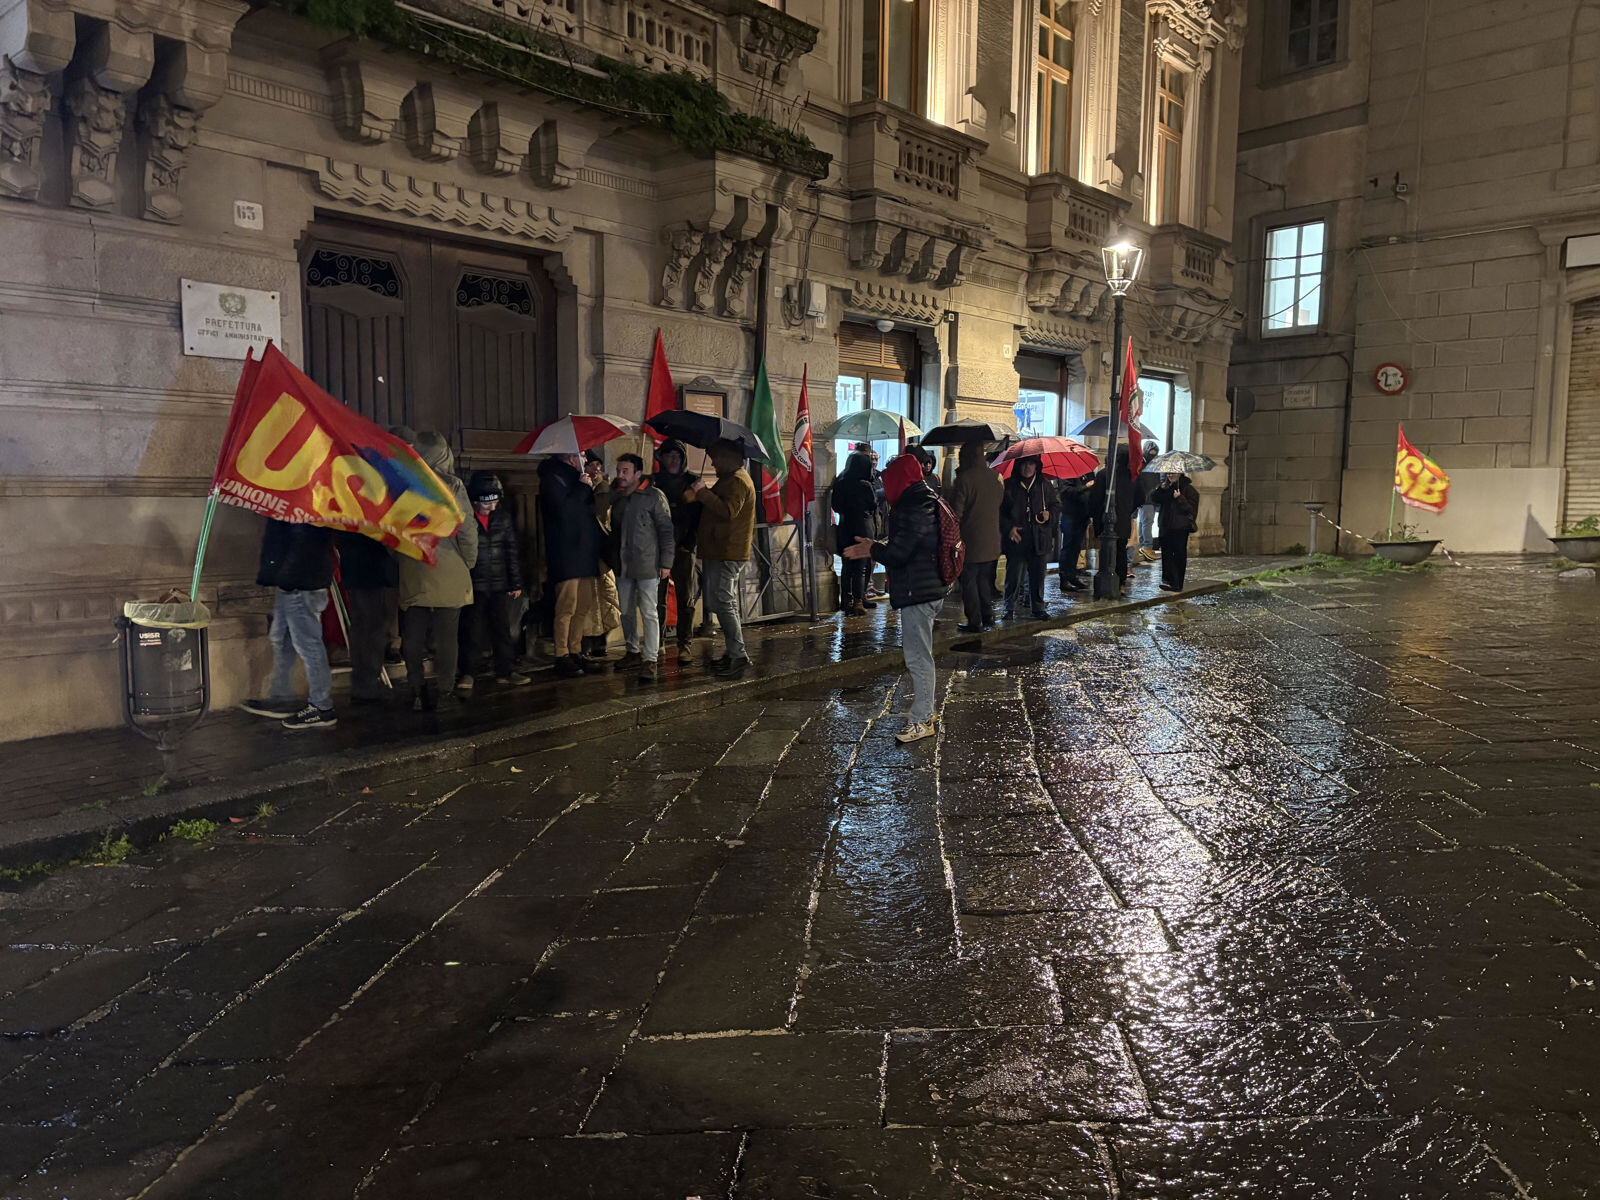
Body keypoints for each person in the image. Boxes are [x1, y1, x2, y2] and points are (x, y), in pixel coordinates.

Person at [841, 453, 947, 744]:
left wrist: (872, 550)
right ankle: (926, 711)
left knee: (918, 658)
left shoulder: (913, 505)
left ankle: (922, 720)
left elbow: (900, 553)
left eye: (889, 481)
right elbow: (909, 542)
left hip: (918, 591)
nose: (886, 488)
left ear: (901, 479)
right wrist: (877, 545)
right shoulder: (923, 498)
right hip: (926, 587)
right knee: (921, 655)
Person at [398, 432, 478, 712]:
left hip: (413, 565)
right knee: (447, 637)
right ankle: (445, 692)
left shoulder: (402, 484)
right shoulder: (452, 485)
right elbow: (466, 529)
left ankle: (417, 691)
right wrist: (468, 561)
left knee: (413, 635)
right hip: (448, 565)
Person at [243, 520, 338, 730]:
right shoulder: (294, 511)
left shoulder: (305, 511)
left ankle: (321, 706)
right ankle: (281, 697)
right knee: (282, 640)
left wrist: (286, 577)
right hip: (293, 583)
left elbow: (305, 544)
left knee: (308, 645)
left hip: (300, 584)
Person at [684, 438, 755, 678]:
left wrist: (703, 493)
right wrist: (700, 495)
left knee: (724, 602)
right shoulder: (728, 479)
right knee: (720, 602)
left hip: (728, 551)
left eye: (715, 459)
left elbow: (728, 511)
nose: (713, 463)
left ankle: (738, 655)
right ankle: (733, 652)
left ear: (727, 458)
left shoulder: (737, 481)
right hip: (719, 549)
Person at [458, 471, 529, 690]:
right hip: (474, 584)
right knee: (471, 630)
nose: (492, 507)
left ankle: (506, 670)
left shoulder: (503, 519)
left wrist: (515, 582)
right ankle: (468, 672)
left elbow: (511, 551)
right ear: (475, 501)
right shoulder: (465, 519)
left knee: (502, 629)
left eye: (495, 502)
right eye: (487, 503)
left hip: (499, 583)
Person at [538, 451, 606, 678]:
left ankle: (576, 649)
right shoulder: (552, 478)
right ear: (570, 457)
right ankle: (562, 653)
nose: (585, 460)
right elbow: (564, 511)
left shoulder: (579, 478)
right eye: (582, 455)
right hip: (566, 552)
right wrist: (582, 488)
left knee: (583, 604)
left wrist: (593, 487)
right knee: (567, 605)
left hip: (584, 551)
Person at [608, 453, 674, 683]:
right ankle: (632, 650)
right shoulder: (617, 496)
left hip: (647, 563)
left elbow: (666, 530)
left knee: (648, 611)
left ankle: (650, 658)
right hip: (623, 564)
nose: (620, 475)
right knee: (626, 610)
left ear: (637, 473)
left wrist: (666, 562)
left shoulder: (653, 497)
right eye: (619, 470)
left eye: (625, 471)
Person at [334, 529, 396, 705]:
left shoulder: (347, 518)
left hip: (353, 570)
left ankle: (361, 682)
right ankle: (368, 683)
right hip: (369, 571)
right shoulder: (365, 520)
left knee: (361, 626)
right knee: (373, 627)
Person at [948, 440, 1002, 632]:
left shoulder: (964, 479)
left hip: (970, 541)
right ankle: (988, 616)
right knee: (984, 581)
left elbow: (956, 514)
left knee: (969, 582)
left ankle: (974, 620)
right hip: (992, 541)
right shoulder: (995, 477)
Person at [653, 439, 701, 651]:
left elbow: (698, 517)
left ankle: (685, 644)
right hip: (659, 548)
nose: (674, 460)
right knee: (658, 599)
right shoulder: (655, 482)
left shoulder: (692, 481)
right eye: (669, 455)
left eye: (678, 456)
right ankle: (658, 643)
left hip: (683, 547)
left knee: (685, 597)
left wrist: (689, 544)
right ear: (661, 458)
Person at [1000, 455, 1059, 620]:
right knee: (1013, 576)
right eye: (1024, 464)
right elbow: (1000, 513)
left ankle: (1038, 608)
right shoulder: (1009, 485)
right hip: (1017, 539)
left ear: (1036, 466)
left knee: (1038, 576)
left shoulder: (1044, 485)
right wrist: (1009, 528)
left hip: (1039, 538)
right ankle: (1009, 608)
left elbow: (1055, 506)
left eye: (1031, 464)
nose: (1028, 468)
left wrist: (1050, 515)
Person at [1086, 447, 1147, 584]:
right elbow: (1141, 498)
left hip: (1105, 519)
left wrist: (1095, 513)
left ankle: (1107, 580)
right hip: (1123, 520)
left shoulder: (1104, 474)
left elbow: (1095, 499)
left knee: (1106, 551)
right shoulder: (1132, 476)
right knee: (1121, 551)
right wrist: (1128, 509)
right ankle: (1121, 582)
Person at [830, 449, 879, 615]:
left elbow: (836, 506)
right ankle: (859, 600)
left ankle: (846, 599)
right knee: (861, 565)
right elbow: (873, 504)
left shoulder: (840, 483)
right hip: (862, 526)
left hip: (845, 526)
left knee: (847, 565)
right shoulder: (865, 485)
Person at [583, 450, 620, 659]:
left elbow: (602, 516)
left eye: (597, 464)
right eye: (591, 464)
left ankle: (600, 641)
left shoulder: (604, 490)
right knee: (591, 600)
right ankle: (589, 641)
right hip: (588, 553)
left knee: (606, 596)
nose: (595, 468)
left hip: (602, 553)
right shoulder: (584, 488)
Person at [1150, 471, 1200, 591]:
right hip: (1165, 526)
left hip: (1180, 527)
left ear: (1180, 473)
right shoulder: (1166, 487)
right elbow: (1153, 499)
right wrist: (1161, 489)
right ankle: (1167, 580)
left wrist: (1180, 498)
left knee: (1179, 555)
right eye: (1168, 474)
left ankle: (1177, 583)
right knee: (1166, 554)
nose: (1170, 476)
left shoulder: (1189, 490)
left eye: (1173, 473)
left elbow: (1191, 510)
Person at [1056, 471, 1093, 592]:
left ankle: (1072, 575)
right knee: (1068, 547)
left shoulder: (1086, 473)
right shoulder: (1066, 472)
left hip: (1082, 515)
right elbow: (1065, 491)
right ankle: (1064, 578)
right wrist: (1085, 487)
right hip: (1070, 515)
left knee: (1076, 548)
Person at [1136, 442, 1162, 563]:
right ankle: (1147, 547)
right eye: (1151, 452)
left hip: (1148, 498)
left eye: (1155, 452)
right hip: (1147, 499)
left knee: (1144, 522)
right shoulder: (1144, 465)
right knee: (1146, 523)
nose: (1153, 454)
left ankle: (1143, 546)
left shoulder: (1149, 464)